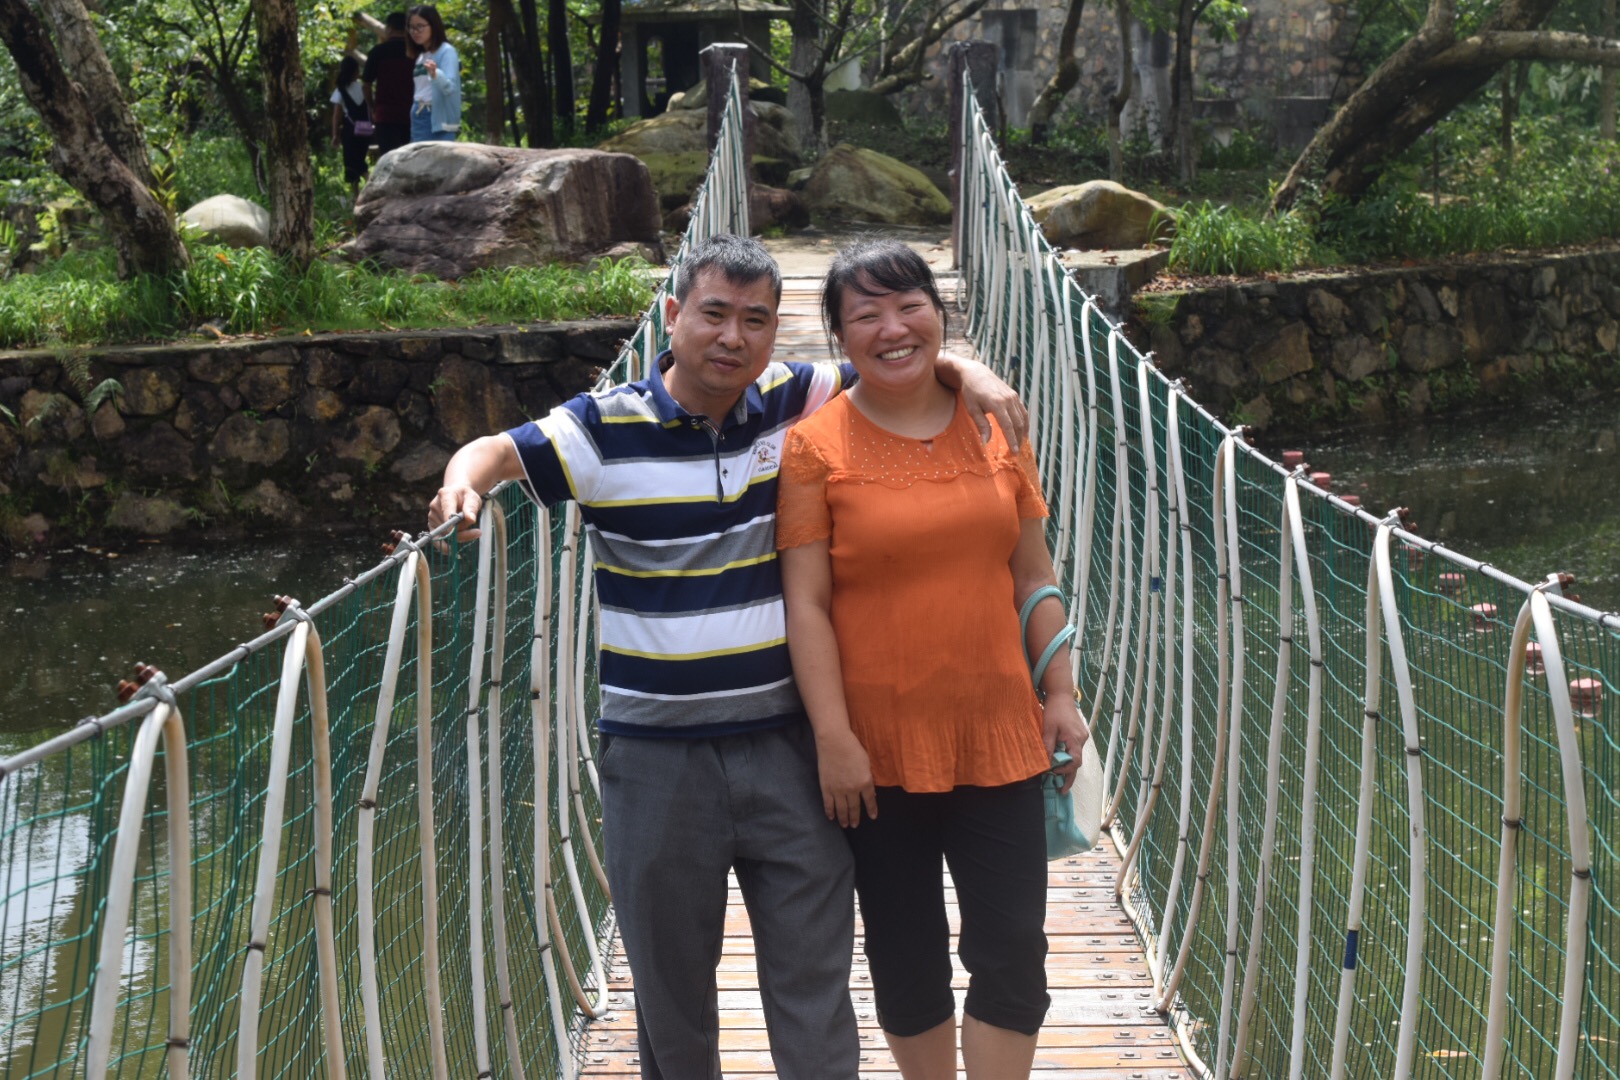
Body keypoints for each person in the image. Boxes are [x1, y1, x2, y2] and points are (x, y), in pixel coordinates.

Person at [426, 234, 1028, 1080]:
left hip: (788, 746)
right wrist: (462, 481)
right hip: (656, 759)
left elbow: (896, 358)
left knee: (815, 985)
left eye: (755, 320)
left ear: (777, 332)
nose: (732, 338)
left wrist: (973, 374)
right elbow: (500, 450)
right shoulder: (602, 428)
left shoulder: (792, 399)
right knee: (673, 1000)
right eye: (713, 314)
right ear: (673, 315)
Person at [775, 239, 1086, 1080]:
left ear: (939, 316)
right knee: (905, 954)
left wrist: (1060, 691)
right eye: (866, 314)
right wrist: (834, 739)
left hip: (1000, 736)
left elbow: (1034, 573)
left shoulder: (996, 425)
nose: (893, 328)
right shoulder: (814, 447)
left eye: (910, 305)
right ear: (841, 338)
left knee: (1013, 952)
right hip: (876, 753)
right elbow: (806, 604)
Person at [362, 12, 414, 157]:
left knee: (390, 159)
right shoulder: (416, 51)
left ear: (389, 29)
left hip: (386, 115)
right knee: (412, 159)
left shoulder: (377, 52)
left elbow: (366, 84)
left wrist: (372, 108)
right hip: (413, 115)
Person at [405, 4, 460, 143]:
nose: (415, 32)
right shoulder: (421, 56)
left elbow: (450, 88)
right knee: (418, 157)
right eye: (411, 27)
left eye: (420, 26)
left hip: (440, 117)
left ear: (433, 25)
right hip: (418, 114)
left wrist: (436, 74)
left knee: (440, 157)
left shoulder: (447, 51)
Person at [329, 55, 371, 201]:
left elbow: (337, 115)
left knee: (351, 163)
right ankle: (366, 188)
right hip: (366, 131)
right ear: (355, 71)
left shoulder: (340, 90)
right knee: (360, 159)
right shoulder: (363, 88)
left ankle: (358, 194)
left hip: (351, 131)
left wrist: (335, 134)